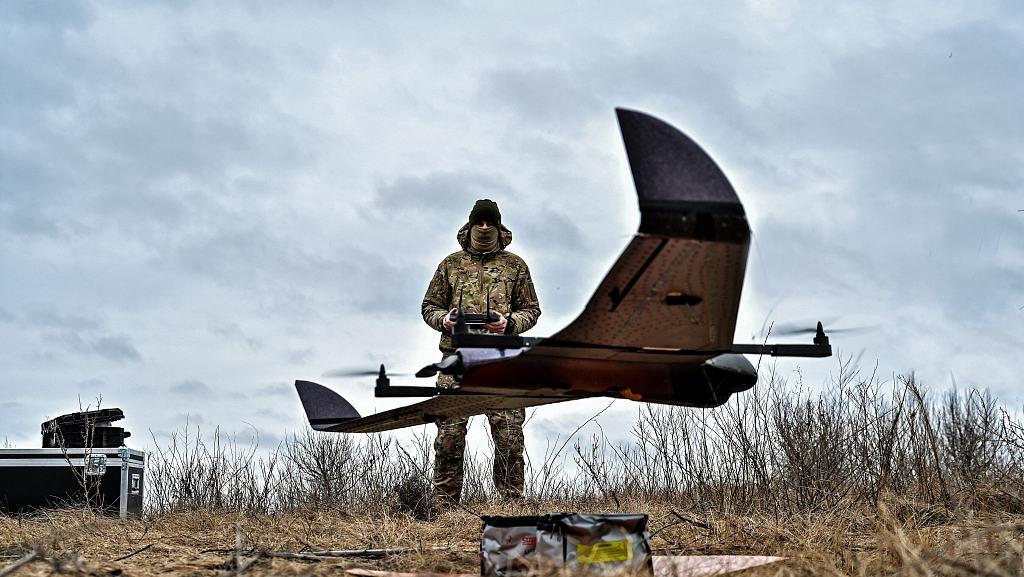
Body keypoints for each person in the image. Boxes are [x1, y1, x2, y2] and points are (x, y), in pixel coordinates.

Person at [421, 199, 541, 503]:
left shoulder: (516, 266)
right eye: (480, 222)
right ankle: (444, 505)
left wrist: (509, 323)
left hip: (502, 362)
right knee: (448, 435)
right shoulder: (450, 264)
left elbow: (532, 310)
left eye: (490, 222)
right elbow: (428, 306)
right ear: (471, 224)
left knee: (509, 436)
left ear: (498, 226)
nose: (484, 227)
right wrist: (444, 320)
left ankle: (511, 503)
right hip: (456, 362)